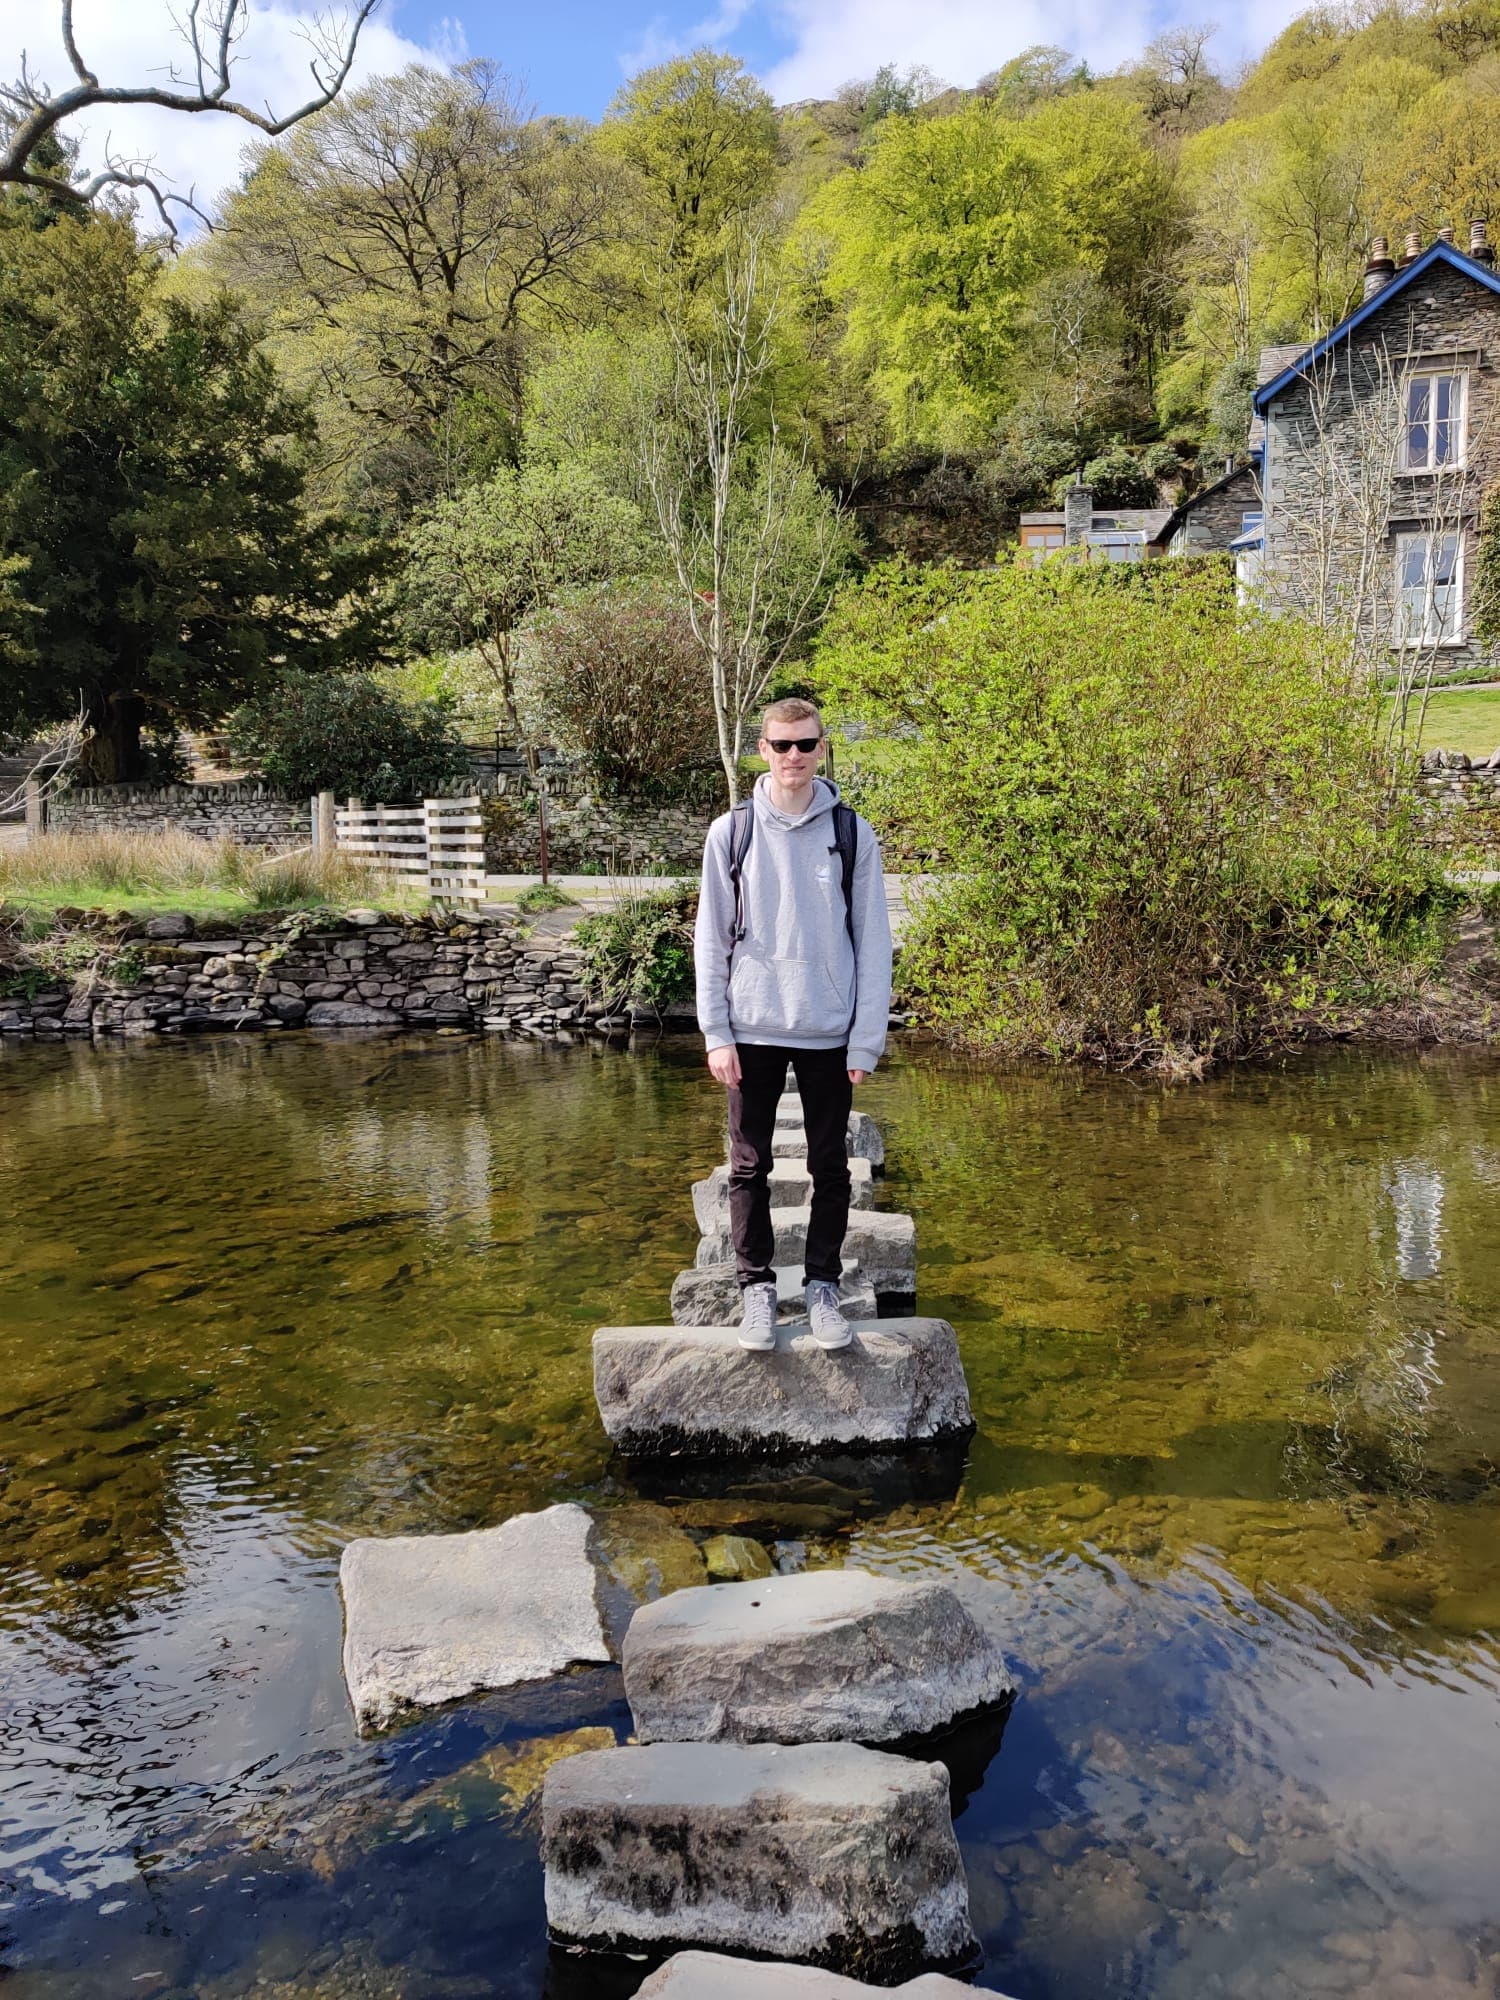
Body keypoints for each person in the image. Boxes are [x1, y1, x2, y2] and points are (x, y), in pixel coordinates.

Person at [693, 697, 893, 1354]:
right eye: (781, 746)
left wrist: (866, 1037)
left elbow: (871, 938)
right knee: (747, 1167)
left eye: (805, 744)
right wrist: (716, 1032)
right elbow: (710, 939)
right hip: (751, 1024)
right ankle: (755, 1290)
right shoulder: (732, 832)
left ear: (822, 747)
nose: (794, 757)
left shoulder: (852, 833)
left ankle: (821, 1286)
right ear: (763, 751)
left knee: (830, 1165)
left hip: (828, 1027)